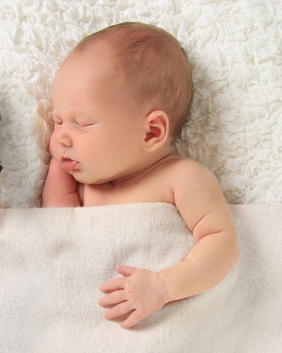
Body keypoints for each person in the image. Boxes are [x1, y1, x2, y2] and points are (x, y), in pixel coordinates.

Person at [41, 22, 239, 329]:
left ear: (151, 131)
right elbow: (57, 228)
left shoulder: (180, 178)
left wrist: (164, 285)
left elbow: (222, 243)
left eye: (82, 123)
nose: (62, 137)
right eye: (58, 121)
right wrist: (57, 166)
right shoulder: (85, 185)